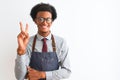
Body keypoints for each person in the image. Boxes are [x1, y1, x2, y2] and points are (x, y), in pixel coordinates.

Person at [15, 3, 71, 80]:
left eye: (48, 19)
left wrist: (43, 75)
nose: (44, 22)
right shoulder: (27, 42)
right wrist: (21, 52)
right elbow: (20, 77)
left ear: (52, 21)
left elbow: (67, 71)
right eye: (40, 19)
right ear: (35, 21)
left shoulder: (61, 42)